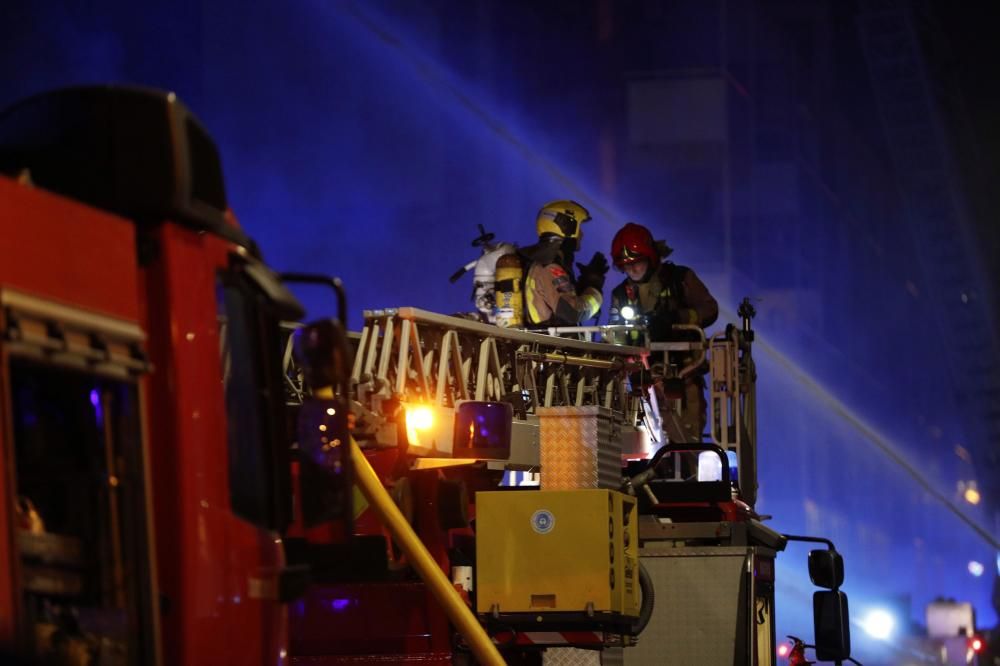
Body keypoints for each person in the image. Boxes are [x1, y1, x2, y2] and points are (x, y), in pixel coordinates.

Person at [608, 222, 718, 443]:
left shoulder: (680, 279)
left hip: (684, 375)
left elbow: (709, 309)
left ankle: (690, 473)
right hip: (641, 381)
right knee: (644, 440)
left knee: (687, 438)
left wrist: (677, 318)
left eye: (637, 263)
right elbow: (614, 335)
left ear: (650, 257)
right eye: (626, 265)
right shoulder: (621, 294)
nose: (632, 270)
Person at [521, 200, 609, 328]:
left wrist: (582, 286)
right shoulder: (550, 266)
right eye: (579, 228)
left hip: (546, 343)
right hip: (552, 345)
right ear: (567, 228)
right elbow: (572, 311)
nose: (582, 234)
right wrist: (593, 287)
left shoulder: (544, 261)